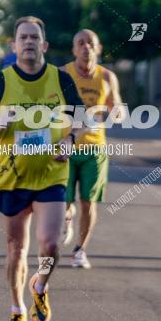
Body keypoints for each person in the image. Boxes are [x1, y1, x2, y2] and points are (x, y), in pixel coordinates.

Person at [0, 16, 85, 321]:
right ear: (14, 45)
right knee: (15, 249)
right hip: (13, 177)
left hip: (51, 173)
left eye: (35, 37)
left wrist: (69, 140)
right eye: (24, 37)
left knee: (49, 244)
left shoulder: (61, 80)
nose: (30, 42)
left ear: (44, 45)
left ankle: (40, 284)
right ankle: (17, 311)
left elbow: (82, 120)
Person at [62, 30, 122, 269]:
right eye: (80, 43)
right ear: (74, 49)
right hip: (65, 145)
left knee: (88, 202)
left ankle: (80, 249)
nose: (86, 47)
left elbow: (116, 106)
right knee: (62, 202)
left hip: (95, 149)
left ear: (98, 48)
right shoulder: (62, 74)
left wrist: (117, 112)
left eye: (90, 43)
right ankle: (66, 219)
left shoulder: (107, 77)